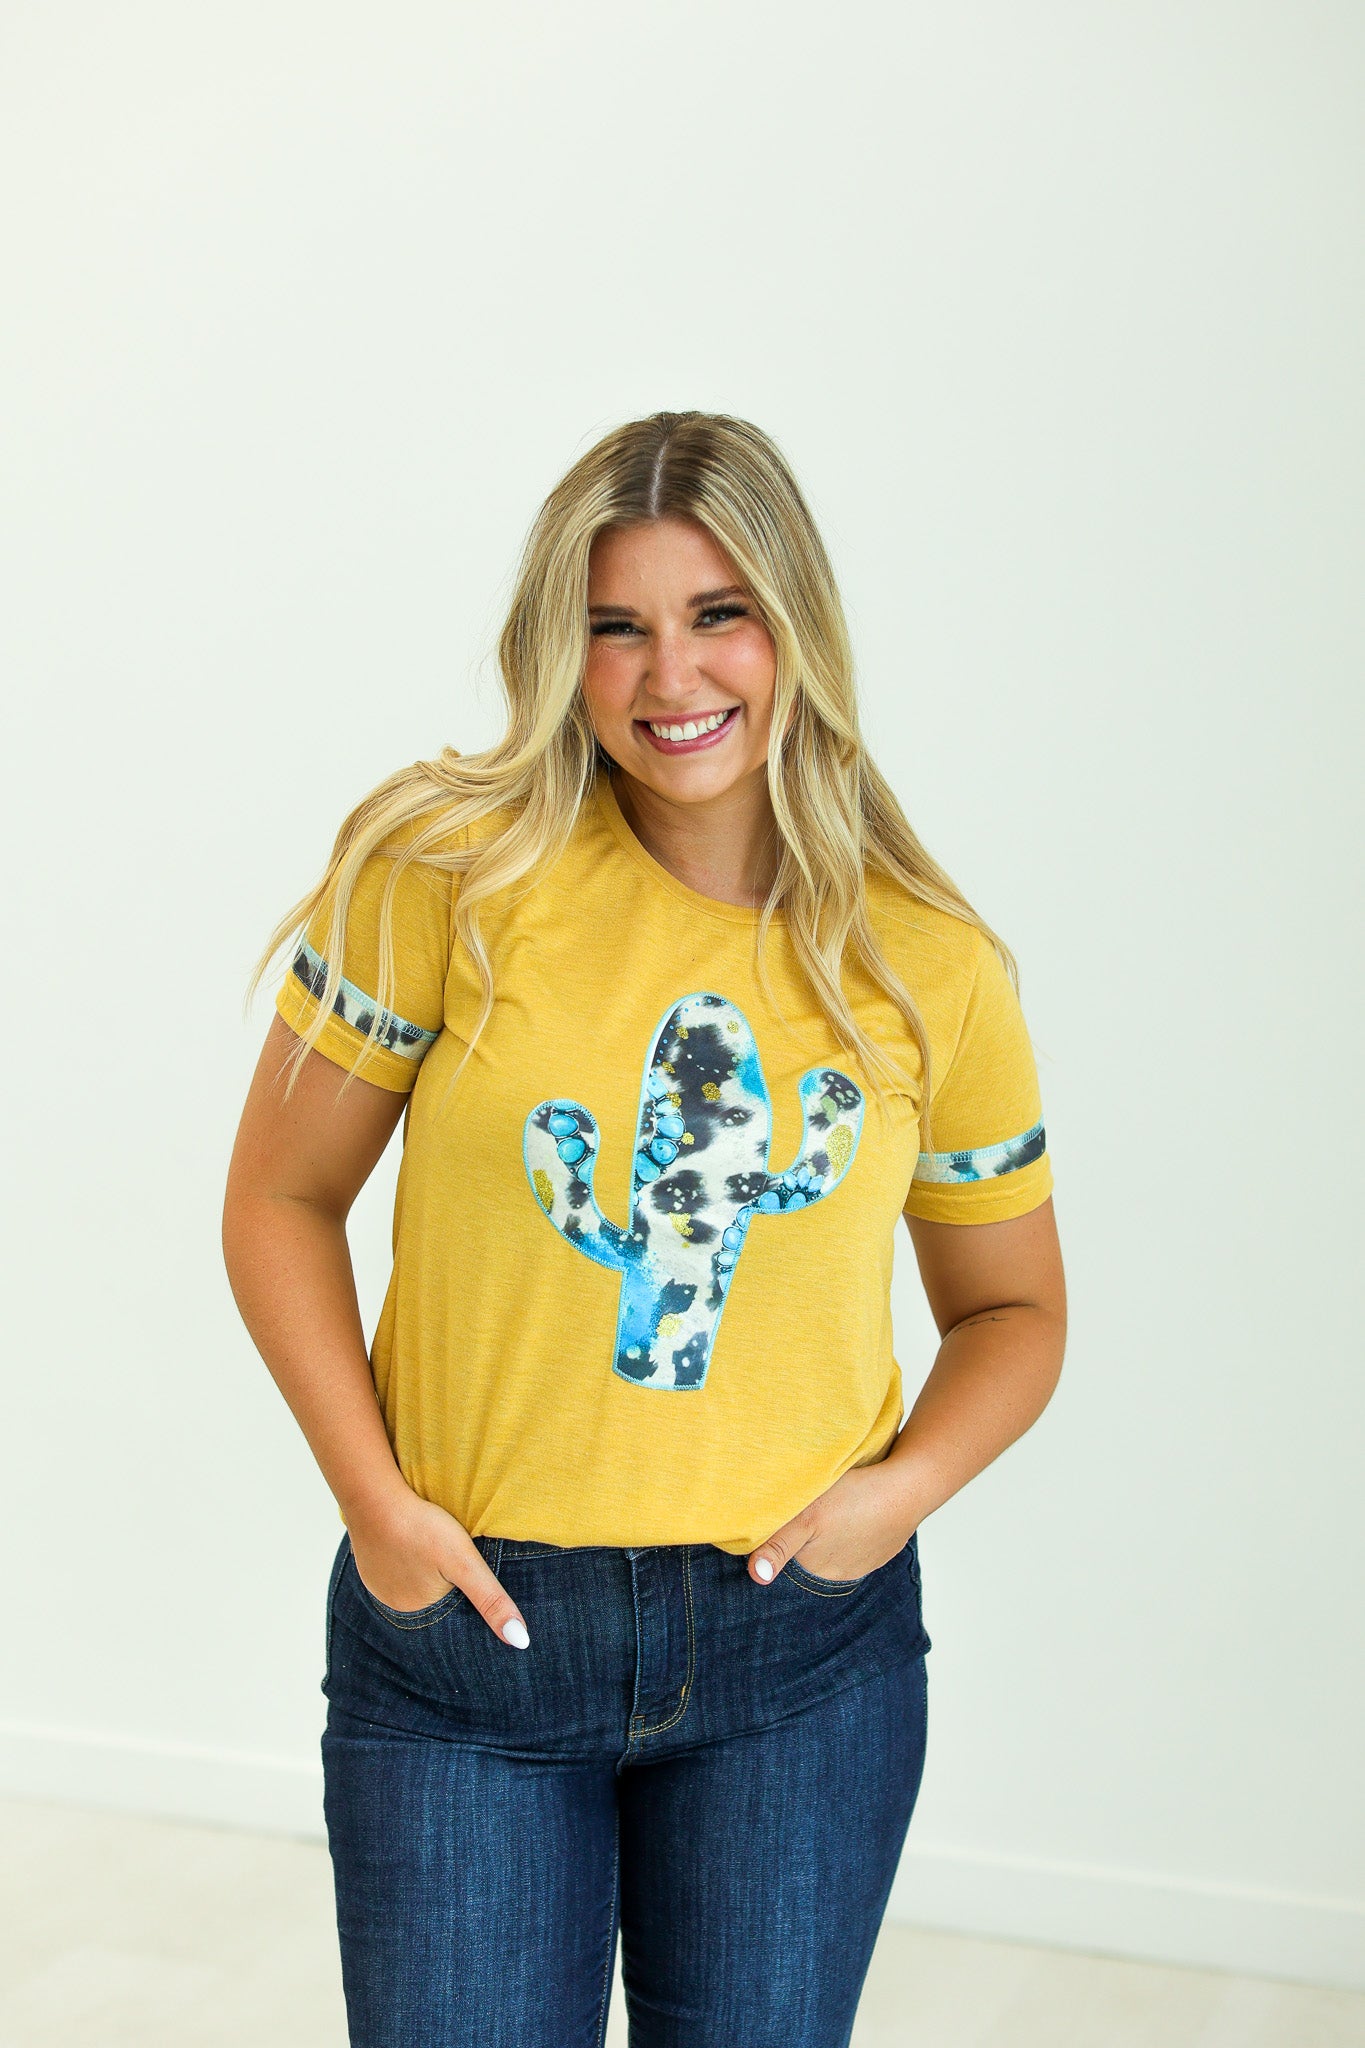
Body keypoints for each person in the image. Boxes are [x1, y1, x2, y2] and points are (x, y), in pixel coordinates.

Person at [221, 409, 1066, 2048]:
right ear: (561, 649)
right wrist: (375, 1508)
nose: (669, 675)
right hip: (469, 1645)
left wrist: (893, 1499)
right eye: (616, 626)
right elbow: (279, 1198)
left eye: (717, 614)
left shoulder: (924, 963)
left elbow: (1014, 1313)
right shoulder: (443, 870)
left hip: (797, 1659)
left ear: (795, 626)